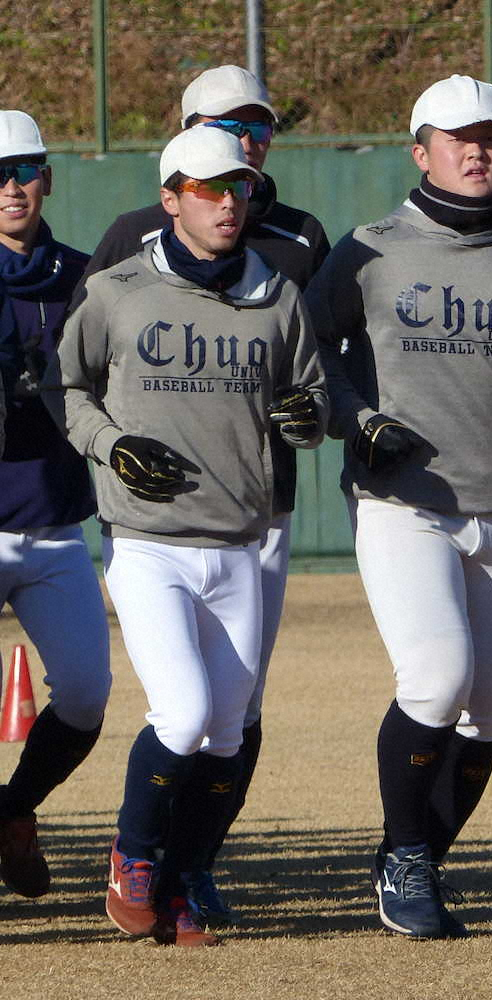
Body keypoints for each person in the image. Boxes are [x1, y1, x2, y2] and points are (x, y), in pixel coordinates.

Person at [305, 74, 492, 940]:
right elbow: (308, 351)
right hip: (404, 501)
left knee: (487, 707)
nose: (479, 150)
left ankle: (414, 857)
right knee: (437, 679)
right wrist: (355, 420)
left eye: (491, 136)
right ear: (421, 151)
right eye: (459, 137)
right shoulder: (370, 250)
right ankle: (407, 861)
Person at [43, 125, 327, 946]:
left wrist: (307, 419)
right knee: (184, 711)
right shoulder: (119, 290)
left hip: (239, 539)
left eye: (238, 186)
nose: (228, 202)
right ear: (170, 200)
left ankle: (175, 888)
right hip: (148, 541)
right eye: (208, 189)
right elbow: (67, 387)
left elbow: (312, 400)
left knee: (229, 731)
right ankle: (131, 856)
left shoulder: (276, 295)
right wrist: (110, 444)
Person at [0, 111, 111, 900]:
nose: (11, 187)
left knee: (84, 693)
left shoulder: (85, 276)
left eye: (24, 170)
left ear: (47, 178)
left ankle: (13, 810)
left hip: (53, 519)